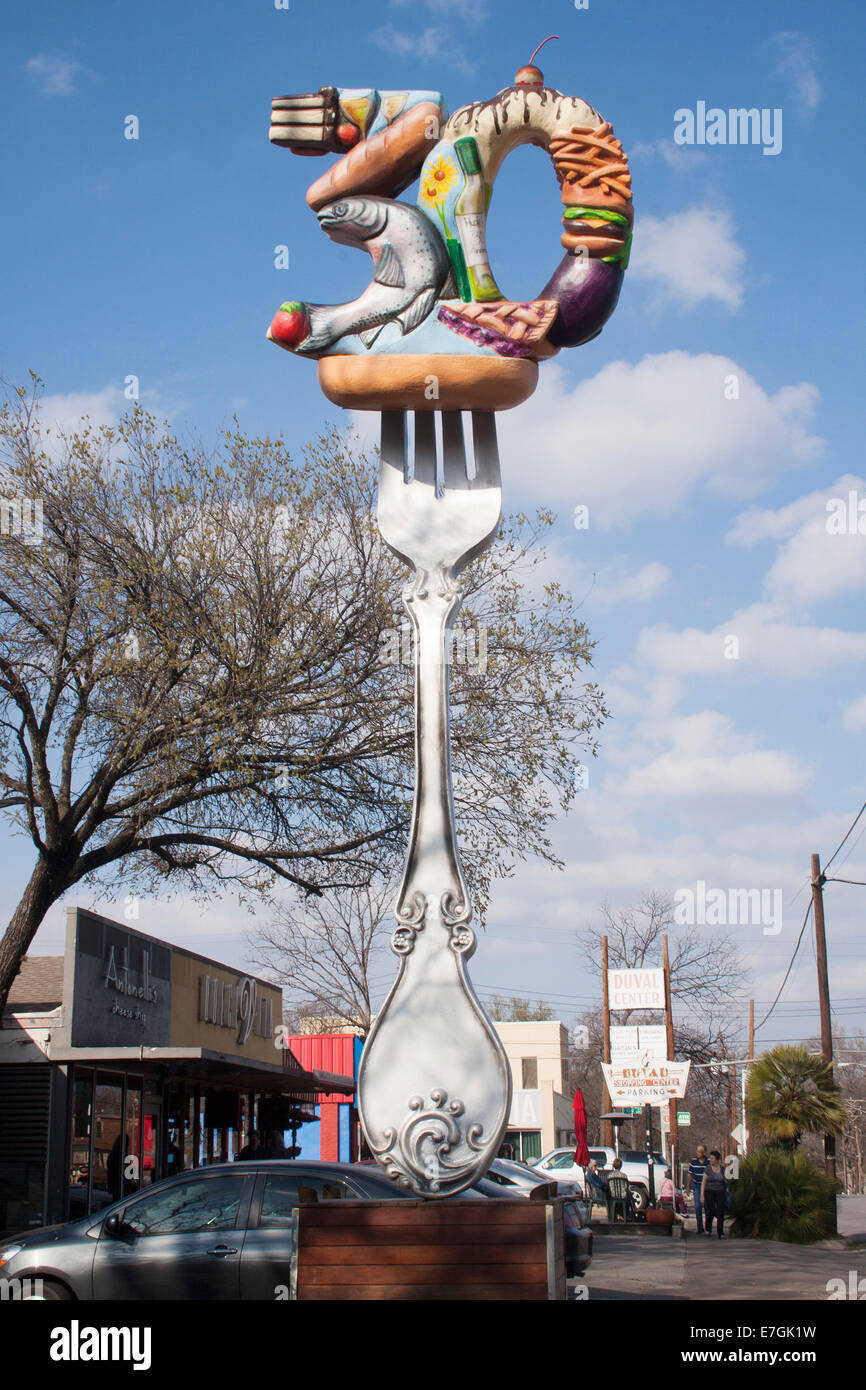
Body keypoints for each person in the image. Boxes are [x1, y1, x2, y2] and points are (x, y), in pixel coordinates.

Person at [701, 1149, 728, 1238]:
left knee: (720, 1211)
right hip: (709, 1191)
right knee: (711, 1210)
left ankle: (720, 1232)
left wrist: (728, 1189)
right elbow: (703, 1182)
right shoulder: (708, 1169)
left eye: (712, 1158)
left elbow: (726, 1181)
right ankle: (708, 1229)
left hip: (720, 1191)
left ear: (717, 1159)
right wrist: (702, 1196)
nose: (711, 1160)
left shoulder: (722, 1169)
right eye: (710, 1158)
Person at [687, 1144, 710, 1234]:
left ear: (704, 1152)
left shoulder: (708, 1162)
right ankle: (700, 1227)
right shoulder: (693, 1161)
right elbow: (690, 1175)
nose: (698, 1153)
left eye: (700, 1152)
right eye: (697, 1151)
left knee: (708, 1207)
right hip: (697, 1186)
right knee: (697, 1207)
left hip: (707, 1187)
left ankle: (708, 1227)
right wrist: (688, 1187)